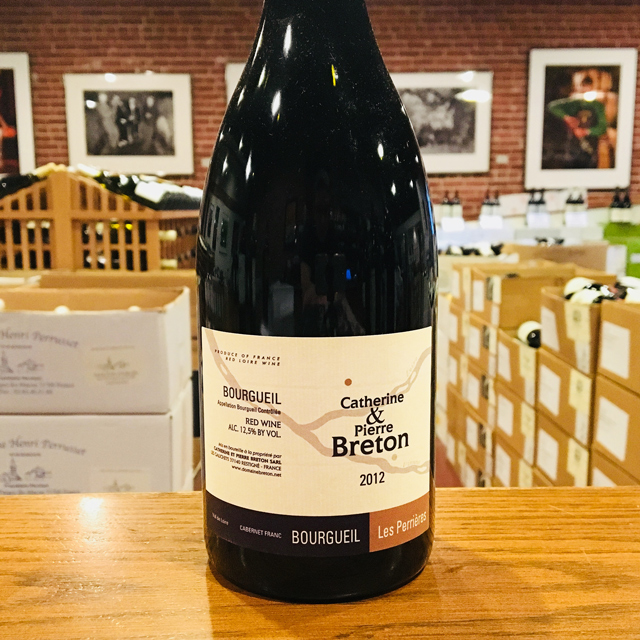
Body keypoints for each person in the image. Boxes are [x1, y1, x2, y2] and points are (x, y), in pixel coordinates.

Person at [547, 71, 613, 169]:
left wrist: (586, 131)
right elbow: (552, 106)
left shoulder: (597, 106)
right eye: (583, 88)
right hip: (571, 148)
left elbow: (602, 127)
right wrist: (567, 117)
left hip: (590, 148)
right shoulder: (573, 103)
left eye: (588, 88)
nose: (585, 91)